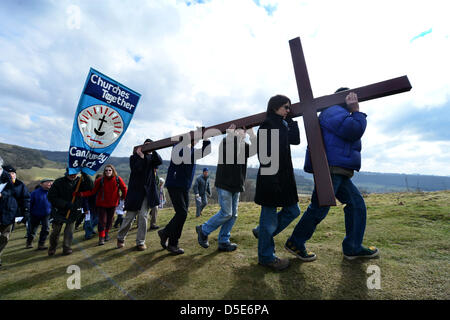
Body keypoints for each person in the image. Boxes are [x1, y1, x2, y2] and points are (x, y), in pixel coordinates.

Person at [286, 89, 379, 261]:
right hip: (332, 168)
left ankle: (352, 247)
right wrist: (356, 111)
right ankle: (296, 242)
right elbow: (354, 130)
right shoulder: (333, 111)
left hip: (337, 168)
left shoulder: (337, 112)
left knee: (356, 205)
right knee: (320, 208)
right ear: (345, 98)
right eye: (351, 98)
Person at [253, 95, 302, 271]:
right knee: (268, 220)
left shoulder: (281, 124)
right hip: (271, 179)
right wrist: (272, 182)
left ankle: (262, 234)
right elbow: (265, 157)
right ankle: (266, 257)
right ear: (275, 107)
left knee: (293, 210)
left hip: (284, 179)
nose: (288, 110)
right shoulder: (268, 125)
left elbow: (295, 140)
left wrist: (291, 120)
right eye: (286, 108)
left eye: (289, 108)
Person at [196, 124, 256, 252]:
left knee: (233, 215)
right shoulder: (226, 141)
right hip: (224, 184)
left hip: (237, 186)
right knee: (226, 213)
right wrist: (231, 135)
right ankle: (204, 229)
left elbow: (256, 149)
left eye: (244, 132)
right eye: (241, 131)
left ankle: (223, 241)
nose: (243, 133)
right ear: (234, 131)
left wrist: (252, 135)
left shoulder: (244, 146)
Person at [158, 136, 211, 254]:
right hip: (175, 184)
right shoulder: (178, 148)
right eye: (195, 139)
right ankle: (172, 243)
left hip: (184, 187)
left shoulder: (192, 151)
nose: (197, 141)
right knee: (182, 213)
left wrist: (206, 138)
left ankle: (166, 233)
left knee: (183, 214)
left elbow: (205, 151)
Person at [117, 139, 162, 251]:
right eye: (147, 145)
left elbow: (159, 161)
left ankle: (140, 242)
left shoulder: (152, 159)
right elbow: (137, 169)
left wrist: (154, 149)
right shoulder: (134, 158)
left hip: (147, 193)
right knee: (129, 218)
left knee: (143, 216)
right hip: (135, 193)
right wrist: (141, 156)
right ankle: (121, 238)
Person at [47, 169, 93, 256]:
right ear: (67, 172)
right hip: (59, 210)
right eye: (71, 173)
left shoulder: (80, 181)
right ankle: (52, 247)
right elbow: (51, 197)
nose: (73, 175)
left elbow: (91, 187)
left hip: (73, 210)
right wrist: (65, 204)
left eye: (75, 173)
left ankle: (67, 247)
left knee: (69, 231)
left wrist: (85, 174)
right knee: (56, 231)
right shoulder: (58, 182)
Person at [79, 164, 127, 245]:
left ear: (113, 171)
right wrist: (81, 194)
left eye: (109, 170)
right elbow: (93, 191)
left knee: (109, 221)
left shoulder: (118, 179)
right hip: (102, 204)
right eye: (106, 170)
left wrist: (123, 197)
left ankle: (106, 234)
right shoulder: (100, 180)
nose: (108, 171)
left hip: (113, 204)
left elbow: (124, 188)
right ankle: (101, 238)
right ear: (104, 172)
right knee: (102, 221)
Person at [0, 164, 31, 266]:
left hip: (10, 215)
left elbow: (25, 199)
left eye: (13, 173)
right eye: (9, 173)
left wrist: (26, 211)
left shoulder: (20, 185)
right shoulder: (2, 185)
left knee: (5, 237)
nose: (11, 175)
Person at [26, 178, 54, 250]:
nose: (50, 184)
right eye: (48, 182)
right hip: (35, 214)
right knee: (32, 230)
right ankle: (29, 242)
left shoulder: (52, 192)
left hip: (47, 215)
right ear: (41, 184)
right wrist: (29, 212)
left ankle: (41, 244)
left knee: (46, 229)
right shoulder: (35, 193)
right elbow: (30, 203)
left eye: (51, 182)